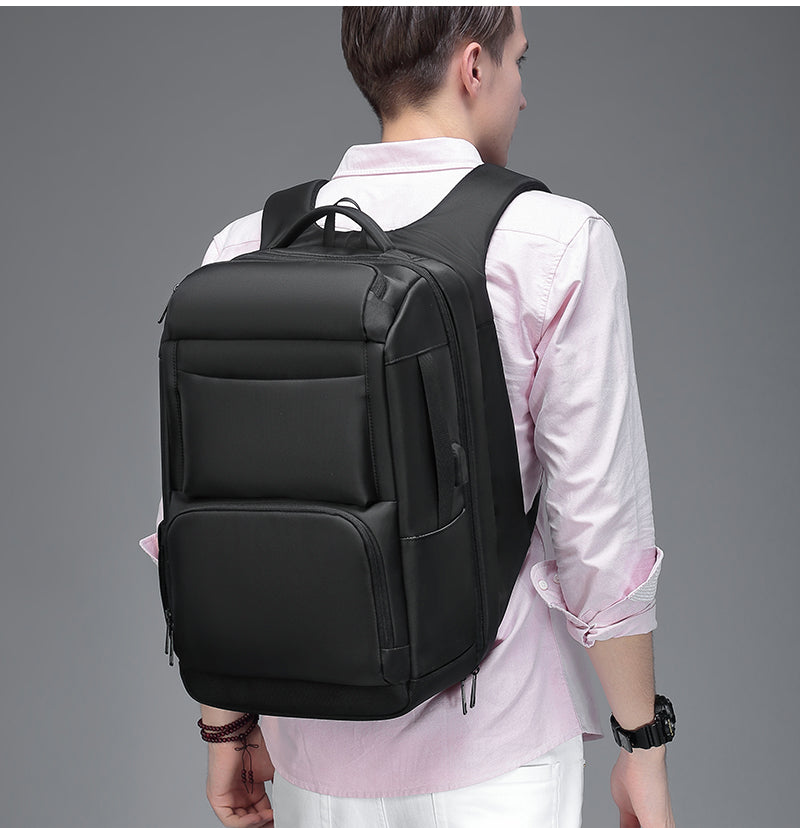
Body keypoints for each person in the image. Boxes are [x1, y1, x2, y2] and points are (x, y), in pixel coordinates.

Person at [140, 7, 675, 827]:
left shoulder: (247, 246)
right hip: (494, 745)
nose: (523, 94)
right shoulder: (555, 242)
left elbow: (207, 514)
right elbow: (598, 534)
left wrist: (227, 730)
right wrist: (642, 743)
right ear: (473, 68)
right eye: (519, 61)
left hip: (310, 747)